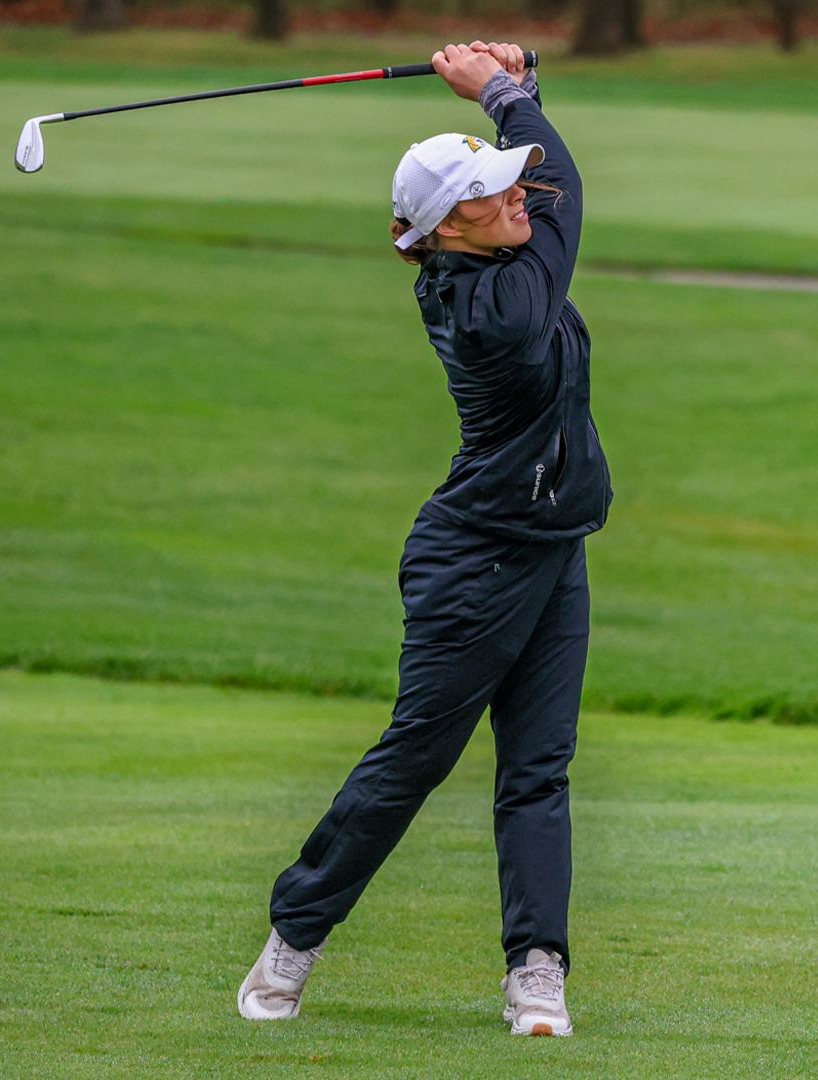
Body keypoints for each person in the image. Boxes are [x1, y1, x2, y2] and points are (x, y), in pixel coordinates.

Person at [236, 40, 611, 1037]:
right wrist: (499, 90)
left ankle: (537, 972)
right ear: (451, 228)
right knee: (414, 761)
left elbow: (540, 172)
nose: (520, 195)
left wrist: (517, 96)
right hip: (477, 564)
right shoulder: (502, 307)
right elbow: (565, 178)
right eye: (493, 194)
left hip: (547, 542)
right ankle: (293, 939)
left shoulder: (492, 249)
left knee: (539, 768)